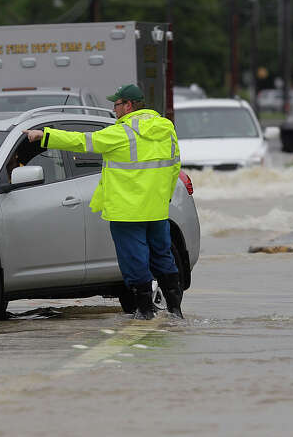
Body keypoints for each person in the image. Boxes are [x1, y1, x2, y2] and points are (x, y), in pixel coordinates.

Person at [22, 84, 183, 319]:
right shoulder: (166, 129)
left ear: (128, 105)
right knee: (163, 256)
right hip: (157, 209)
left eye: (116, 104)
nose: (114, 109)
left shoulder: (122, 133)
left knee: (135, 261)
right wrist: (164, 198)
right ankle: (175, 311)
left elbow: (81, 141)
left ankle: (145, 313)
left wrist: (43, 135)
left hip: (127, 213)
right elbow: (174, 166)